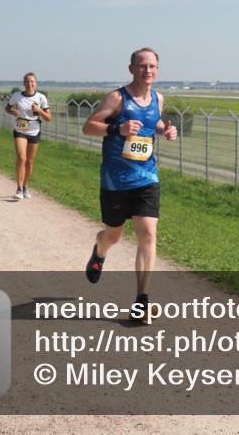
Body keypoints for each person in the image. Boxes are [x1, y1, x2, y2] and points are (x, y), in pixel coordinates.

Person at [81, 48, 177, 323]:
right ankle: (99, 250)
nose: (148, 71)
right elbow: (89, 126)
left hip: (146, 176)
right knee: (113, 235)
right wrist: (116, 129)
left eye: (153, 66)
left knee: (148, 232)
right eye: (143, 66)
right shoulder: (117, 98)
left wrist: (163, 130)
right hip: (115, 179)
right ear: (132, 68)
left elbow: (151, 122)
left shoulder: (158, 99)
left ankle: (141, 301)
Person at [5, 72, 52, 200]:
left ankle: (25, 186)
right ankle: (19, 188)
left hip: (34, 130)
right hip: (20, 128)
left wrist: (39, 110)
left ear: (36, 83)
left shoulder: (41, 97)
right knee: (22, 157)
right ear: (23, 83)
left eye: (32, 81)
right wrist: (13, 111)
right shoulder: (17, 96)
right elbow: (7, 108)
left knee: (30, 162)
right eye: (27, 81)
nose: (29, 84)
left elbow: (48, 118)